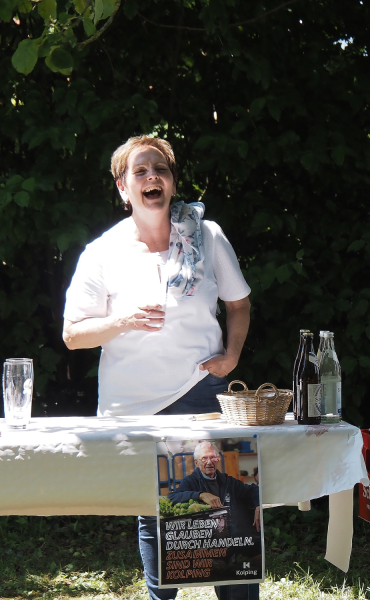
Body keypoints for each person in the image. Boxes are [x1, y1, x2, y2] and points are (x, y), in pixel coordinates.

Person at [62, 135, 252, 600]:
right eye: (140, 171)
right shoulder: (103, 252)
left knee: (228, 511)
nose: (152, 177)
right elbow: (73, 334)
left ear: (171, 182)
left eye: (160, 169)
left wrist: (231, 357)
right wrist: (123, 321)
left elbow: (239, 304)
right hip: (134, 408)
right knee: (157, 514)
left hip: (201, 392)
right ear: (123, 188)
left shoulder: (207, 235)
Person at [168, 442, 261, 600]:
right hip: (208, 541)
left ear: (218, 459)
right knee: (223, 572)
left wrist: (258, 504)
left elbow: (252, 490)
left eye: (213, 457)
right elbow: (172, 497)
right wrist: (199, 495)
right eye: (204, 458)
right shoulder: (190, 481)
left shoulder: (227, 481)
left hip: (233, 537)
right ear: (196, 462)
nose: (209, 462)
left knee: (254, 559)